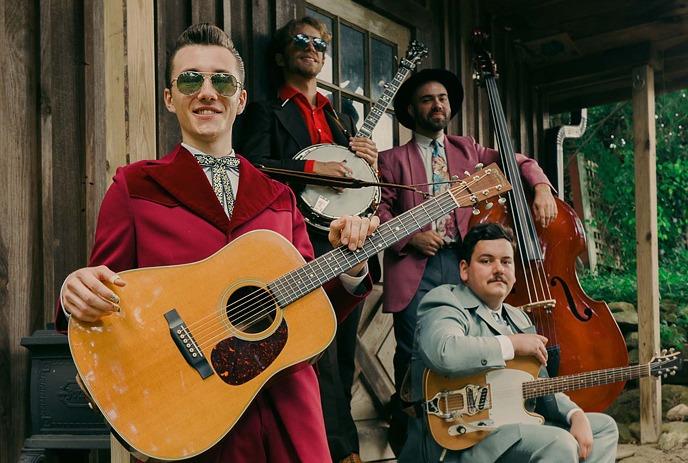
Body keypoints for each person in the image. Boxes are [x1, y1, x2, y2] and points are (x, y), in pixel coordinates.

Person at [55, 23, 380, 463]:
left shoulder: (280, 197)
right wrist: (77, 290)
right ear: (170, 98)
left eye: (222, 81)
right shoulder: (135, 186)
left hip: (287, 415)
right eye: (190, 79)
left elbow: (311, 313)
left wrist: (351, 268)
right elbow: (103, 293)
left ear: (240, 99)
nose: (207, 91)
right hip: (192, 420)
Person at [376, 68, 558, 451]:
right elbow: (380, 214)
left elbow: (516, 161)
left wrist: (540, 185)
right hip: (416, 267)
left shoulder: (468, 150)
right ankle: (417, 446)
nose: (437, 104)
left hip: (464, 264)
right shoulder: (391, 160)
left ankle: (469, 438)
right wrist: (411, 236)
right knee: (414, 360)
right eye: (427, 99)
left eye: (442, 98)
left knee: (471, 346)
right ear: (412, 109)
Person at [238, 16, 379, 463]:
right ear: (281, 56)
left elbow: (356, 174)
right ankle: (336, 452)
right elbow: (252, 165)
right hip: (298, 239)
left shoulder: (343, 114)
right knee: (318, 350)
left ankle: (343, 449)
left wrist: (365, 159)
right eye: (301, 41)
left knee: (342, 347)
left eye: (320, 44)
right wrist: (314, 171)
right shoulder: (266, 110)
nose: (312, 48)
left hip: (345, 239)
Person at [401, 222, 618, 462]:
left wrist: (575, 414)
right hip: (462, 441)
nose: (498, 269)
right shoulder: (445, 301)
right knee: (559, 442)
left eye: (506, 261)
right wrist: (511, 344)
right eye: (486, 261)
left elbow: (540, 382)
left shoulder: (517, 317)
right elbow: (444, 352)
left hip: (513, 427)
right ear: (464, 270)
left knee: (602, 428)